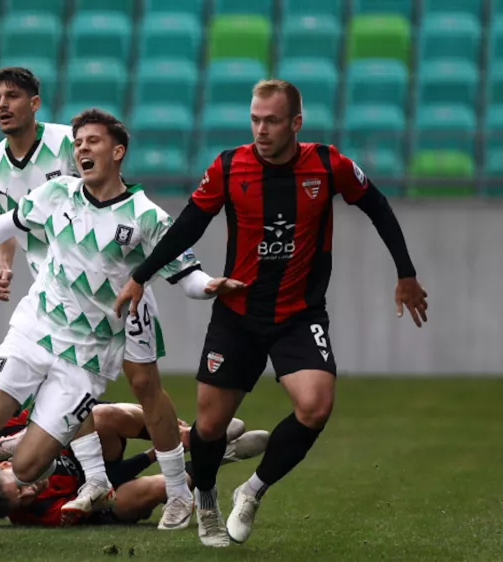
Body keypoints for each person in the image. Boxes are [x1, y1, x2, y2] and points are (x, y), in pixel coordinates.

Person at [0, 108, 244, 525]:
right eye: (77, 143)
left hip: (88, 357)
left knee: (25, 469)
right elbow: (1, 226)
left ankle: (157, 480)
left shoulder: (147, 217)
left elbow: (186, 275)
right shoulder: (56, 194)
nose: (81, 149)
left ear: (118, 151)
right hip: (36, 331)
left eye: (92, 141)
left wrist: (209, 286)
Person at [114, 79, 429, 546]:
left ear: (296, 123)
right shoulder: (228, 167)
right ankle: (206, 501)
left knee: (315, 407)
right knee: (209, 427)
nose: (261, 130)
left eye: (272, 121)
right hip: (238, 315)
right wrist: (141, 275)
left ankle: (253, 490)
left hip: (300, 314)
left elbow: (377, 206)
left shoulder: (329, 165)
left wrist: (406, 273)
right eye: (255, 120)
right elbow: (189, 224)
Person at [0, 66, 204, 530]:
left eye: (12, 96)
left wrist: (195, 280)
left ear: (34, 103)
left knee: (144, 384)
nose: (2, 105)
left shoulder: (69, 142)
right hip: (55, 292)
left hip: (115, 287)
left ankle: (185, 462)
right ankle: (102, 479)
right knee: (61, 380)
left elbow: (109, 192)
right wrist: (4, 266)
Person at [0, 403, 269, 527]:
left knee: (99, 413)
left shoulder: (1, 438)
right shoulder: (39, 514)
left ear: (4, 466)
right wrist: (152, 456)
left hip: (95, 450)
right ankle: (216, 456)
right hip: (108, 497)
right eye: (22, 500)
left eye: (21, 487)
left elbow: (64, 405)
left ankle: (191, 436)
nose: (31, 492)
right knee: (159, 486)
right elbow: (111, 481)